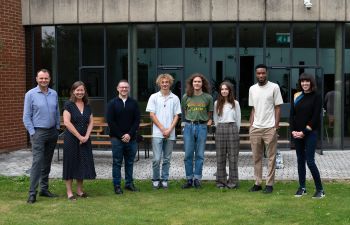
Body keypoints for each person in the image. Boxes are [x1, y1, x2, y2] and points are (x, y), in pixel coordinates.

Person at [23, 69, 60, 204]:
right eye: (41, 78)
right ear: (37, 79)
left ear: (49, 79)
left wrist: (57, 127)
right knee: (37, 163)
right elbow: (26, 117)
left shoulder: (53, 93)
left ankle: (44, 189)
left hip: (52, 132)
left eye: (46, 78)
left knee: (47, 162)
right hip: (38, 132)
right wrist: (33, 133)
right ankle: (32, 193)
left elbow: (57, 112)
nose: (44, 80)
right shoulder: (30, 94)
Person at [248, 64, 283, 194]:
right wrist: (251, 125)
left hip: (269, 128)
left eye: (263, 73)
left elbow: (278, 107)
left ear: (267, 73)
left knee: (271, 157)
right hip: (256, 128)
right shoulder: (252, 89)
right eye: (259, 73)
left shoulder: (274, 87)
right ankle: (257, 183)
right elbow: (253, 108)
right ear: (256, 74)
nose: (261, 75)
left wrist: (276, 126)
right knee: (256, 157)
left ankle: (269, 184)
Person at [290, 73, 325, 199]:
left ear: (311, 83)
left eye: (307, 81)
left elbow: (315, 117)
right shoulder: (296, 96)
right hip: (297, 134)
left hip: (310, 133)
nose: (304, 84)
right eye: (302, 81)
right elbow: (292, 115)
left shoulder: (317, 96)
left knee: (310, 161)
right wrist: (293, 131)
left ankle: (320, 189)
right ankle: (302, 187)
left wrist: (304, 132)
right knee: (300, 160)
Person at [146, 74, 181, 189]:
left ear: (170, 83)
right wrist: (162, 128)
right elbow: (152, 114)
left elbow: (177, 116)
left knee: (167, 159)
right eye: (163, 82)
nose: (165, 84)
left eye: (167, 82)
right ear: (159, 83)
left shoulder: (175, 98)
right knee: (156, 159)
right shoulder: (154, 97)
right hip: (157, 133)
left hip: (170, 133)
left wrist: (169, 129)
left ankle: (164, 179)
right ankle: (156, 179)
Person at [62, 81, 96, 200]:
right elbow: (67, 122)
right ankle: (69, 192)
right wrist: (79, 137)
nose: (80, 92)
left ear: (85, 91)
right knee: (70, 164)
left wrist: (86, 136)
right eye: (77, 90)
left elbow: (91, 122)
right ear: (73, 91)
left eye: (82, 90)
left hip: (85, 139)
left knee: (81, 164)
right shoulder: (68, 105)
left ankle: (80, 191)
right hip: (71, 139)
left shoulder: (87, 105)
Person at [106, 80, 140, 194]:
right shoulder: (112, 103)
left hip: (132, 138)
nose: (124, 89)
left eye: (126, 87)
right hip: (117, 139)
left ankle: (129, 184)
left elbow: (137, 120)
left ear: (129, 89)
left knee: (130, 162)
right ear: (117, 88)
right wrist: (121, 135)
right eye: (122, 87)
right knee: (117, 162)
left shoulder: (134, 103)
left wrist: (129, 134)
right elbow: (110, 121)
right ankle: (117, 185)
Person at [181, 73, 213, 189]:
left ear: (202, 83)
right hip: (189, 126)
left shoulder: (208, 97)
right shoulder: (186, 96)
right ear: (191, 83)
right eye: (195, 81)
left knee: (200, 155)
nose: (197, 83)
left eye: (199, 81)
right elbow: (185, 111)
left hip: (202, 127)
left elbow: (209, 113)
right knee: (188, 154)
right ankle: (189, 179)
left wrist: (207, 121)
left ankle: (197, 179)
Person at [213, 81, 241, 189]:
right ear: (220, 91)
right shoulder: (217, 103)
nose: (224, 91)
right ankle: (221, 181)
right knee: (220, 156)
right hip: (220, 128)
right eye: (222, 89)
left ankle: (233, 181)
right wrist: (219, 127)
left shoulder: (235, 103)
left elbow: (238, 118)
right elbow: (215, 118)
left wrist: (235, 130)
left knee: (233, 156)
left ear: (229, 91)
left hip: (232, 128)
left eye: (226, 89)